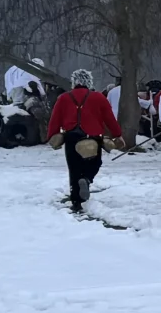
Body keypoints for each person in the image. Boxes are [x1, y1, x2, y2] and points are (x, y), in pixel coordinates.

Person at [44, 69, 122, 213]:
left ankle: (76, 202)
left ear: (74, 82)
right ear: (89, 82)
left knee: (74, 168)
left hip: (71, 136)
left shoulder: (64, 98)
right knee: (95, 162)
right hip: (93, 136)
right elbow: (109, 118)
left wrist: (51, 135)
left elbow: (55, 118)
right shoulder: (98, 97)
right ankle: (86, 179)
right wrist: (117, 134)